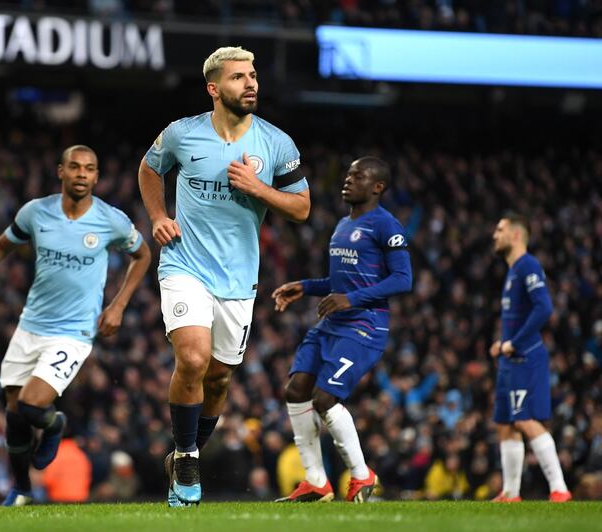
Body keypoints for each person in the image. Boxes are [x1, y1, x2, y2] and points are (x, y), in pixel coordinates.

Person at [138, 46, 310, 506]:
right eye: (238, 77)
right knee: (192, 360)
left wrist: (259, 189)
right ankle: (188, 458)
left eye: (253, 76)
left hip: (238, 279)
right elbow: (149, 169)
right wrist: (157, 215)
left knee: (217, 378)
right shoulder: (182, 134)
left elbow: (302, 207)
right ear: (214, 88)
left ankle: (183, 455)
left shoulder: (276, 143)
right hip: (183, 262)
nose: (251, 83)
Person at [0, 145, 151, 506]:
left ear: (97, 177)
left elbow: (142, 255)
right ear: (60, 171)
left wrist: (118, 305)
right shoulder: (36, 212)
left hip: (74, 331)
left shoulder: (110, 220)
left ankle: (54, 425)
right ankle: (20, 489)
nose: (82, 174)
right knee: (15, 416)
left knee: (33, 406)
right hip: (30, 325)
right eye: (75, 167)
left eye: (90, 169)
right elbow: (3, 245)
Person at [272, 157, 412, 503]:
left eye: (358, 176)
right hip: (332, 324)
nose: (348, 180)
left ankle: (362, 476)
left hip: (364, 327)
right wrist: (305, 286)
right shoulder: (341, 225)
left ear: (377, 186)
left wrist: (352, 299)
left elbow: (403, 279)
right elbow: (338, 284)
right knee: (295, 390)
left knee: (324, 398)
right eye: (348, 174)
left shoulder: (386, 226)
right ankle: (316, 482)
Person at [488, 213, 571, 503]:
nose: (494, 235)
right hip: (510, 358)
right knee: (505, 423)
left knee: (524, 420)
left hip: (526, 357)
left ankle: (559, 487)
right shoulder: (512, 271)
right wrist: (503, 343)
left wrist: (514, 343)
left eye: (500, 230)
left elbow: (544, 308)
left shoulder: (528, 266)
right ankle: (511, 492)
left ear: (515, 235)